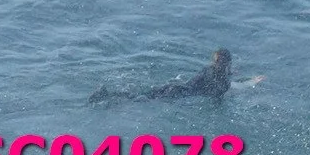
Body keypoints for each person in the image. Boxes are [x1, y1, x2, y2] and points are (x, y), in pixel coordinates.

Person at [91, 49, 237, 104]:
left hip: (176, 87)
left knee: (142, 94)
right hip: (179, 93)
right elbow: (217, 99)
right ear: (228, 63)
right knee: (142, 100)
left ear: (214, 60)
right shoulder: (222, 82)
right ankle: (110, 101)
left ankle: (107, 95)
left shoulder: (208, 69)